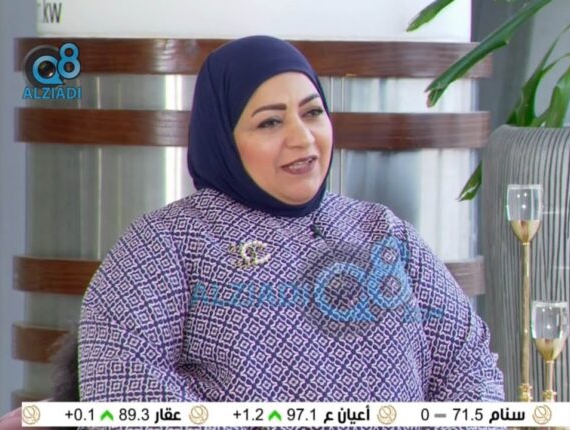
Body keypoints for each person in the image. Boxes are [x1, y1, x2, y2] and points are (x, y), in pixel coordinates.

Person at [78, 35, 504, 413]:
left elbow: (469, 365)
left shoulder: (382, 230)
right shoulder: (166, 243)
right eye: (270, 121)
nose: (302, 138)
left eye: (313, 112)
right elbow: (123, 389)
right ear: (222, 138)